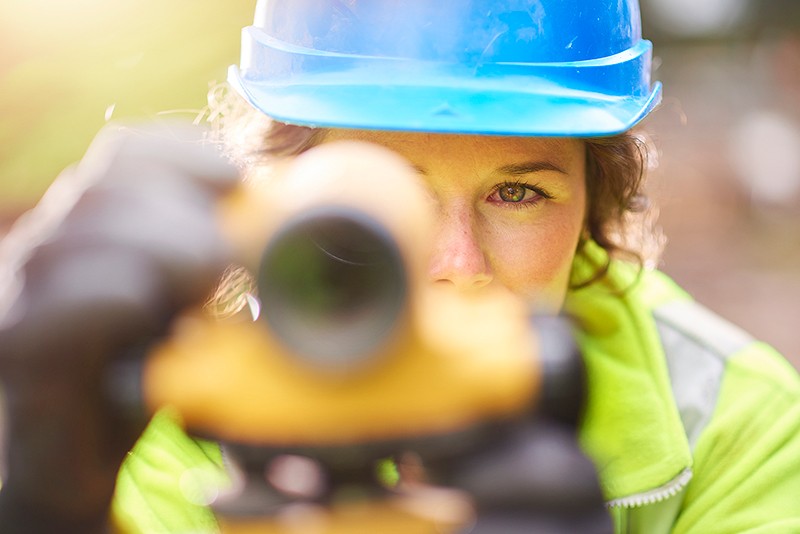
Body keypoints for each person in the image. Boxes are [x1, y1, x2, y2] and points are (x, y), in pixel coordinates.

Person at [1, 1, 799, 533]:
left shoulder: (740, 428)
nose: (456, 266)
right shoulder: (137, 408)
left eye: (518, 193)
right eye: (388, 198)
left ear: (595, 205)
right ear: (269, 191)